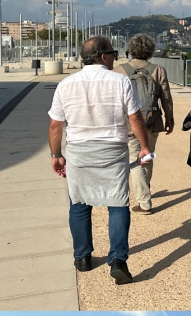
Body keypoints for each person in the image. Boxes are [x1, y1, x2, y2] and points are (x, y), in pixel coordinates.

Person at [47, 36, 151, 285]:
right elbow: (135, 118)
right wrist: (144, 147)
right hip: (112, 149)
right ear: (104, 56)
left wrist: (55, 155)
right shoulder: (120, 81)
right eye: (113, 53)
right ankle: (117, 260)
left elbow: (55, 125)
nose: (115, 57)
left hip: (79, 151)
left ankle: (82, 257)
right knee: (117, 204)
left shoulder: (66, 84)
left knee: (80, 203)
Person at [115, 34, 174, 215]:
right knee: (147, 155)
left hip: (130, 122)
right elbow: (166, 97)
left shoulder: (119, 70)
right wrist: (169, 119)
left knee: (136, 160)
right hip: (153, 120)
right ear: (150, 51)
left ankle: (144, 203)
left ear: (131, 50)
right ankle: (145, 188)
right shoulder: (158, 69)